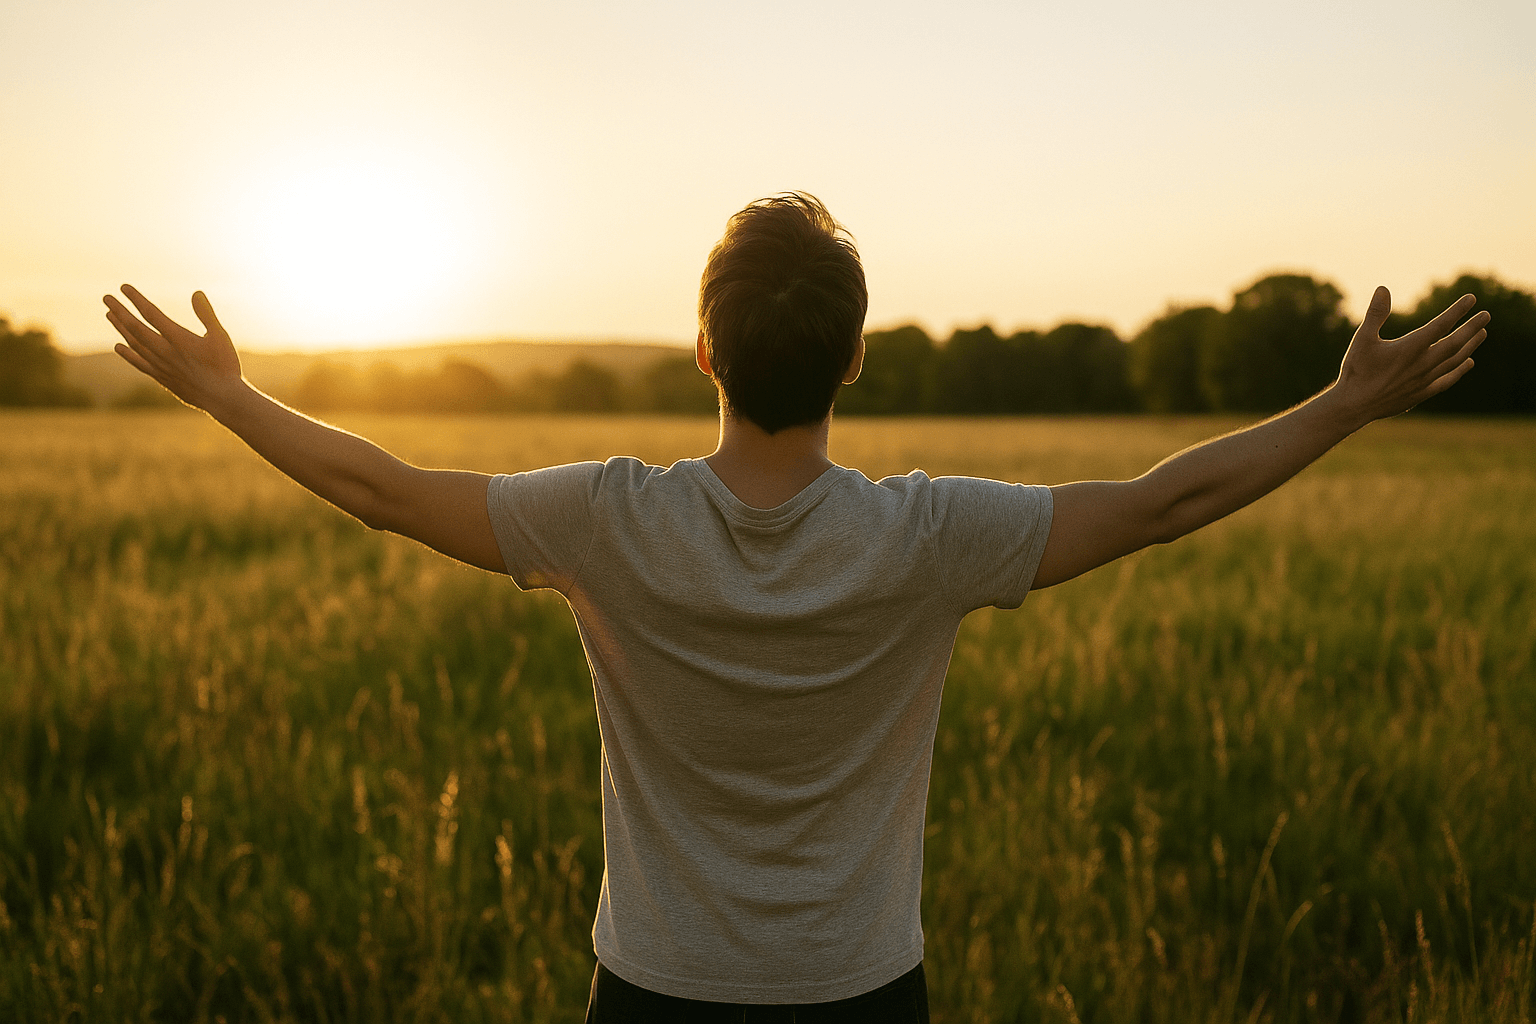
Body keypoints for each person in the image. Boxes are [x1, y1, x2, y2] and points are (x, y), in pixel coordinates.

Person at [105, 193, 1488, 1022]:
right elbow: (1163, 500)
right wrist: (1347, 402)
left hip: (650, 994)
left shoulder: (607, 517)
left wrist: (228, 395)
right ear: (858, 358)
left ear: (704, 348)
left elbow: (388, 490)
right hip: (862, 999)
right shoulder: (932, 535)